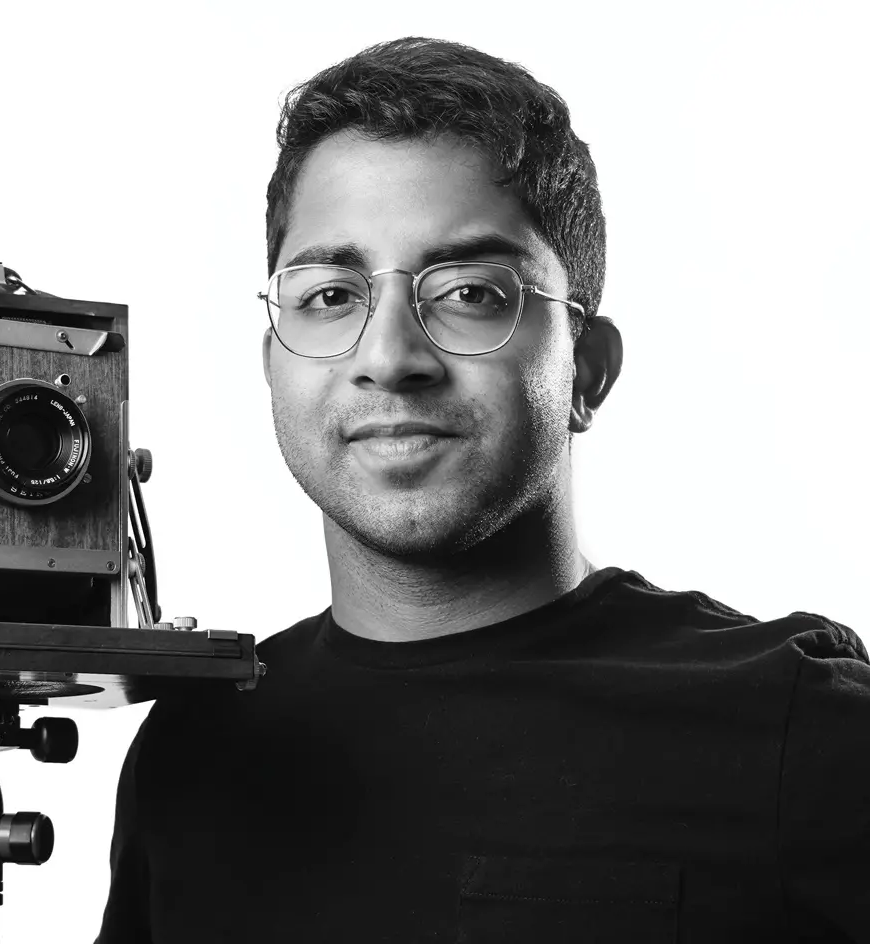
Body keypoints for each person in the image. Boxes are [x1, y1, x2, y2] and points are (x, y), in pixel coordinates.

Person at [94, 37, 869, 943]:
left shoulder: (798, 731)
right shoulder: (195, 749)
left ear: (585, 371)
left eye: (467, 291)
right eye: (331, 295)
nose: (387, 358)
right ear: (273, 363)